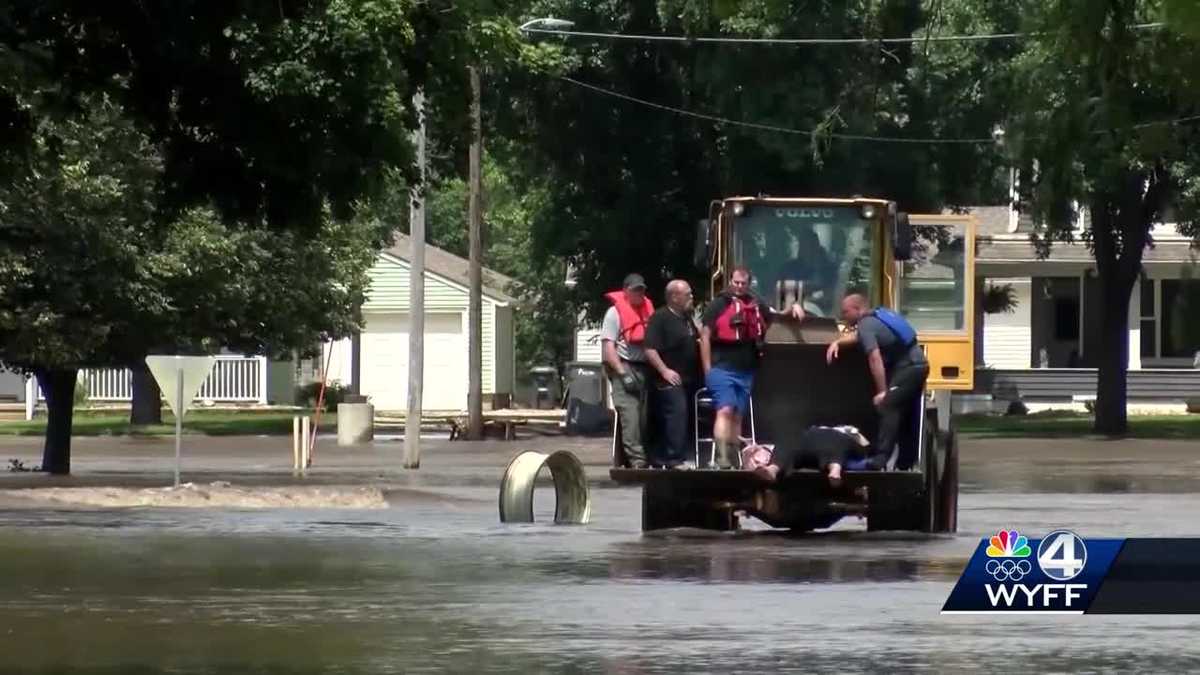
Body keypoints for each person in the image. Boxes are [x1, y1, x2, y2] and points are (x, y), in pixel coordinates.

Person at [700, 266, 805, 469]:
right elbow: (704, 337)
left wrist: (794, 307)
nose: (739, 287)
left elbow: (776, 315)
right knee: (725, 409)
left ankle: (734, 458)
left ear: (749, 284)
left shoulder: (756, 304)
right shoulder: (717, 305)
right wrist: (707, 370)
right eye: (736, 282)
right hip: (722, 367)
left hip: (746, 369)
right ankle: (722, 458)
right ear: (730, 281)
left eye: (743, 283)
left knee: (738, 414)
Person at [826, 293, 929, 470]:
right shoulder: (877, 317)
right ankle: (905, 461)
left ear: (858, 310)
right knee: (903, 413)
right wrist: (838, 342)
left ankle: (880, 459)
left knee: (887, 405)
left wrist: (882, 391)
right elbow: (859, 336)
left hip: (910, 368)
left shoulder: (866, 324)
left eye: (846, 312)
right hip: (916, 365)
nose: (843, 316)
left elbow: (875, 358)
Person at [644, 279, 700, 469]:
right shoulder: (660, 318)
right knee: (677, 414)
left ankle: (684, 454)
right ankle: (673, 459)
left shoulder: (686, 318)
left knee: (690, 416)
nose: (692, 297)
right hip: (667, 380)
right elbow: (650, 349)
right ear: (674, 297)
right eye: (688, 294)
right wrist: (664, 371)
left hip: (689, 378)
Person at [602, 273, 655, 468]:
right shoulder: (614, 314)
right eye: (635, 290)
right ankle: (637, 460)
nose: (639, 293)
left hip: (645, 369)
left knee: (644, 418)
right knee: (630, 416)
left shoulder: (648, 312)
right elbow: (609, 348)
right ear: (625, 291)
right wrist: (622, 374)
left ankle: (640, 456)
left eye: (641, 289)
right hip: (624, 366)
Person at [749, 425, 873, 487]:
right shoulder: (811, 433)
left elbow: (865, 446)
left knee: (836, 443)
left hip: (835, 439)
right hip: (809, 443)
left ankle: (835, 470)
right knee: (789, 443)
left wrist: (854, 435)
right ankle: (772, 470)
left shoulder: (848, 432)